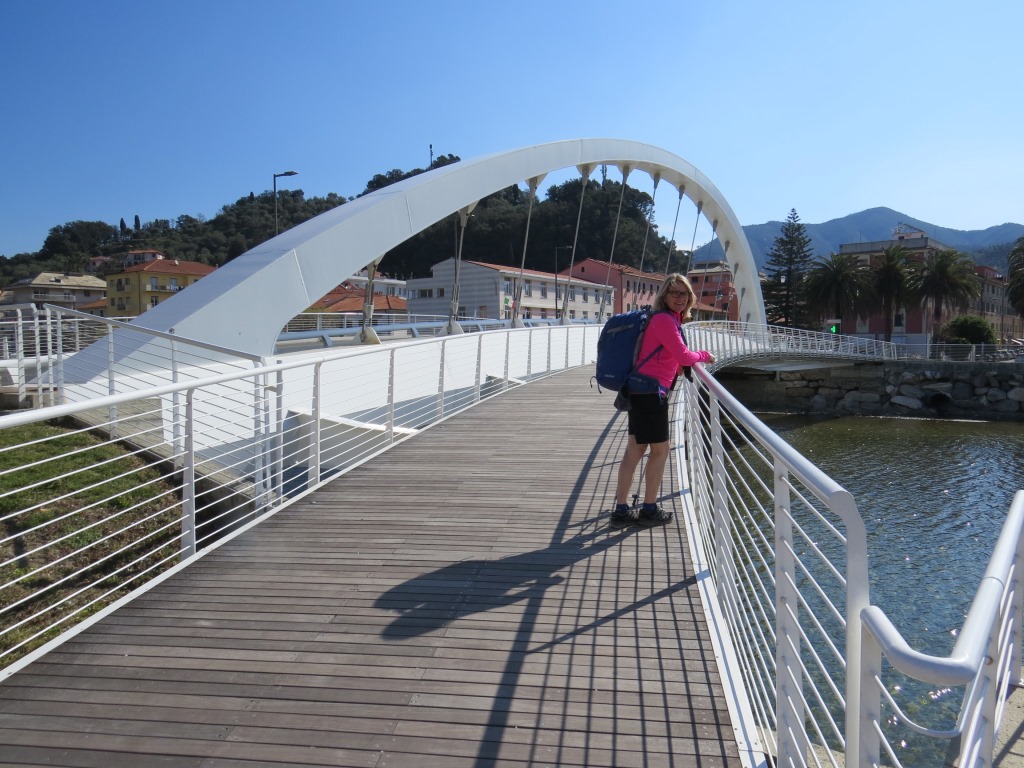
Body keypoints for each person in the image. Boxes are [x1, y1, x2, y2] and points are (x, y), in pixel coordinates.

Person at [611, 273, 715, 528]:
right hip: (650, 394)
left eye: (685, 294)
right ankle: (648, 508)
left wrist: (677, 366)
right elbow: (683, 354)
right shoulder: (665, 321)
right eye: (675, 293)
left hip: (641, 390)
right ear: (664, 296)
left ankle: (622, 509)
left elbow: (668, 355)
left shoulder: (663, 320)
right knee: (659, 451)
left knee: (635, 450)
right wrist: (705, 355)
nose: (680, 298)